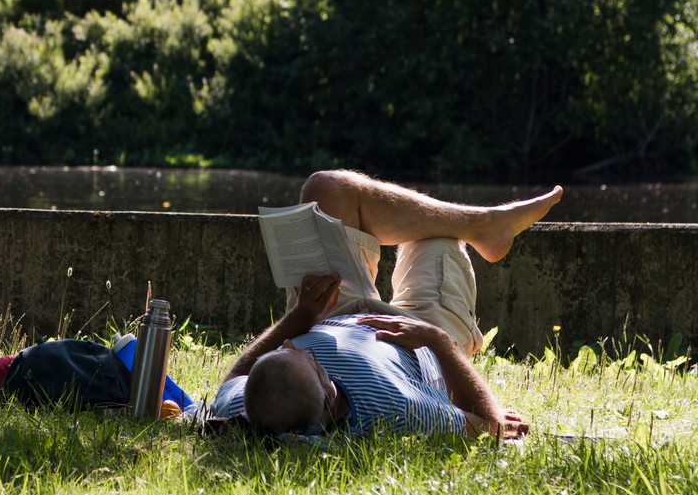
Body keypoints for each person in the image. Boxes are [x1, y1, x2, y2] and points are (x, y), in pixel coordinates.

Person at [206, 170, 562, 439]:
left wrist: (301, 318)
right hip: (419, 336)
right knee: (438, 240)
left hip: (324, 313)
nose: (287, 344)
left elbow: (235, 377)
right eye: (302, 356)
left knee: (326, 188)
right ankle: (483, 227)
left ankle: (482, 224)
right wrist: (434, 339)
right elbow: (489, 426)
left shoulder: (251, 405)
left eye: (282, 350)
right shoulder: (393, 406)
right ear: (330, 396)